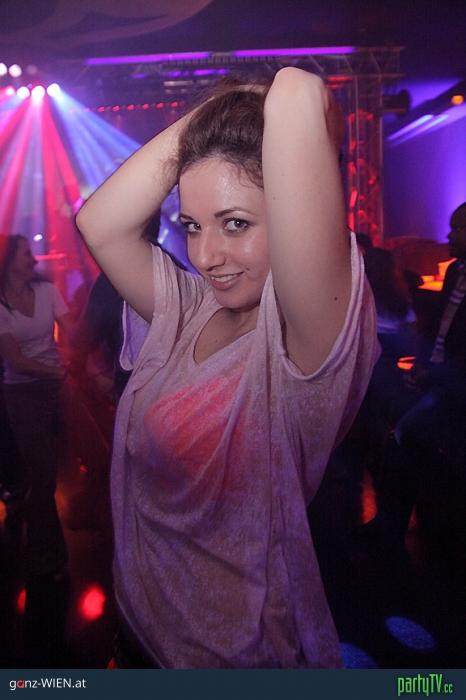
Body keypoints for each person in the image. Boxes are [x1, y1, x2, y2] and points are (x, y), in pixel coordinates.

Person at [77, 68, 378, 669]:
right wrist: (213, 118)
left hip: (227, 660)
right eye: (192, 226)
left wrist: (239, 103)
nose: (206, 255)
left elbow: (296, 92)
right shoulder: (187, 311)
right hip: (137, 637)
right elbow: (99, 223)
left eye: (235, 223)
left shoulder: (303, 345)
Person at [363, 202, 466, 550]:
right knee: (407, 441)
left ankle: (407, 529)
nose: (449, 236)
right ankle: (410, 527)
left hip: (455, 384)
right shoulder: (454, 273)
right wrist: (424, 366)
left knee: (409, 437)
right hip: (437, 378)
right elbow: (439, 331)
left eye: (458, 229)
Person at [0, 234, 72, 580]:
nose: (33, 259)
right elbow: (15, 361)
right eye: (26, 254)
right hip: (23, 394)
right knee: (43, 478)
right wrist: (59, 371)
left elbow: (74, 332)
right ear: (8, 261)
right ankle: (46, 558)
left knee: (97, 455)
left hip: (57, 387)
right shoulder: (1, 307)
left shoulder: (47, 292)